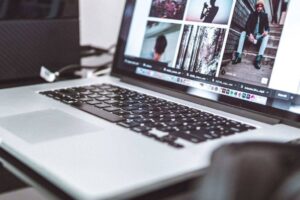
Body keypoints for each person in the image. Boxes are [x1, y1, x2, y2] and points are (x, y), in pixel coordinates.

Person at [232, 0, 270, 70]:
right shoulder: (252, 14)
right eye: (258, 6)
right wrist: (250, 34)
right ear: (256, 7)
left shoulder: (265, 15)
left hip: (259, 37)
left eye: (261, 6)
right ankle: (238, 56)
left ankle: (258, 59)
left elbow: (267, 26)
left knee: (267, 36)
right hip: (251, 36)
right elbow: (247, 26)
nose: (259, 8)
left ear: (263, 7)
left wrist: (266, 31)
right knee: (243, 33)